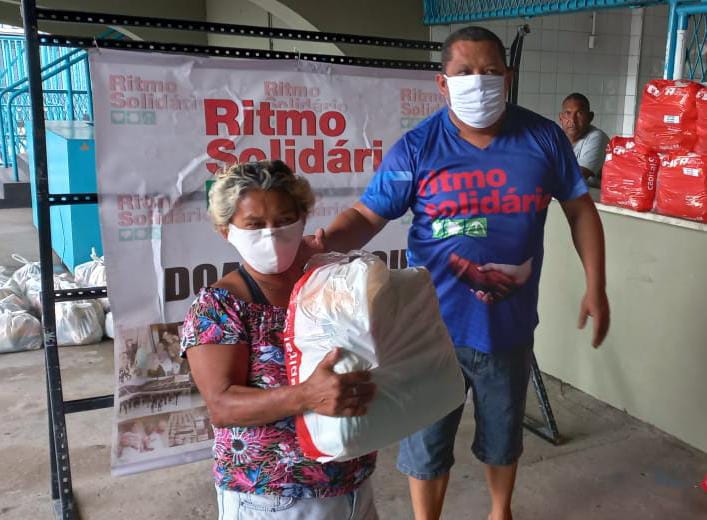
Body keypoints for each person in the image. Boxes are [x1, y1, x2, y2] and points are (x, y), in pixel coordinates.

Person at [307, 26, 610, 520]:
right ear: (442, 83)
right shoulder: (418, 148)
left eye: (491, 71)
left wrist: (595, 285)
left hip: (507, 330)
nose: (480, 81)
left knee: (503, 435)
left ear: (507, 78)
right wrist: (323, 242)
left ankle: (499, 512)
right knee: (426, 443)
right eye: (465, 72)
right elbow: (366, 216)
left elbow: (580, 209)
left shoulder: (543, 138)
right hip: (429, 332)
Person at [181, 160, 379, 519]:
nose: (271, 235)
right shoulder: (220, 306)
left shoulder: (327, 283)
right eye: (254, 225)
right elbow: (222, 406)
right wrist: (306, 396)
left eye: (285, 220)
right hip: (272, 496)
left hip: (353, 482)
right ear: (227, 230)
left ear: (304, 218)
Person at [559, 93, 610, 188]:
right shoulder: (554, 135)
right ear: (561, 118)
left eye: (579, 114)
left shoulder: (597, 137)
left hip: (597, 198)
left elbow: (576, 177)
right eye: (568, 113)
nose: (573, 120)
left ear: (590, 117)